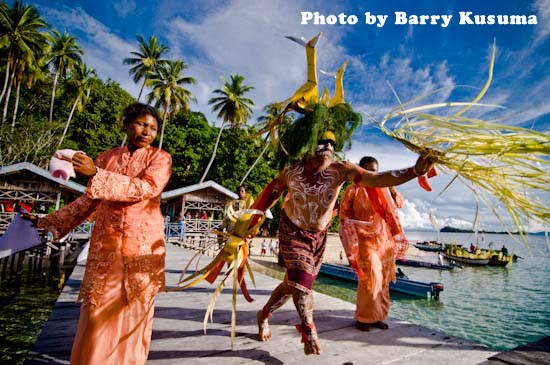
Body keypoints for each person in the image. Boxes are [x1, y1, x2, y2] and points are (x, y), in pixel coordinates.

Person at [252, 132, 436, 355]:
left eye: (332, 142)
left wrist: (415, 171)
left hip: (318, 237)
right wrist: (250, 222)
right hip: (291, 231)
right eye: (322, 140)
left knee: (292, 286)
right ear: (310, 144)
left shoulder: (341, 169)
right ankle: (309, 331)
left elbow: (379, 179)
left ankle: (264, 314)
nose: (328, 145)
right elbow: (269, 195)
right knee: (301, 285)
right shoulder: (292, 171)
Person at [25, 103, 171, 364]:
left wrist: (97, 173)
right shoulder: (105, 158)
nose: (147, 131)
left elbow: (146, 188)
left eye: (153, 128)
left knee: (134, 312)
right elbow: (88, 202)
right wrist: (46, 221)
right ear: (125, 123)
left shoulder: (160, 159)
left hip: (142, 249)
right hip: (106, 247)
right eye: (141, 124)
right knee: (96, 313)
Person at [339, 156, 407, 332]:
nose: (372, 173)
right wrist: (354, 229)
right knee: (370, 278)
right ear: (360, 171)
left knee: (383, 280)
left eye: (375, 170)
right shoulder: (353, 190)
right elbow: (344, 215)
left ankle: (378, 316)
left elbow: (399, 203)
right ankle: (363, 318)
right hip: (364, 240)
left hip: (384, 240)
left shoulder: (384, 187)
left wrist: (391, 188)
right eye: (368, 170)